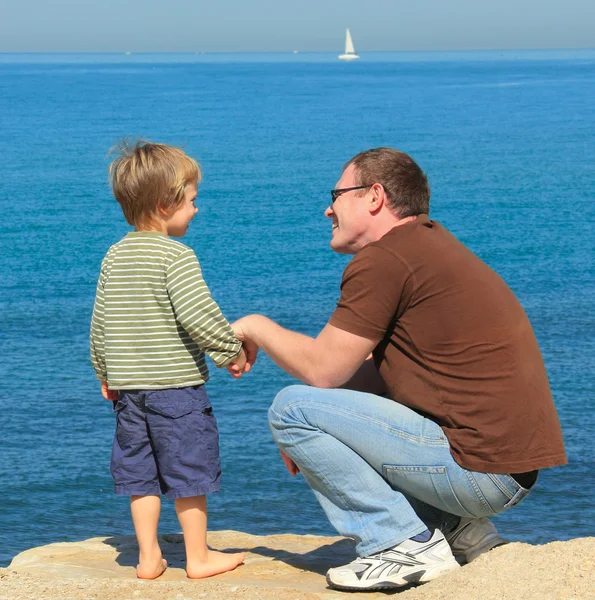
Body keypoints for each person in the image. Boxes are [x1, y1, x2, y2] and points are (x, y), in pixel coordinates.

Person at [229, 147, 567, 592]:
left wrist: (257, 326)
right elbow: (367, 379)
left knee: (291, 408)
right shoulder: (428, 247)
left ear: (374, 196)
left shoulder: (386, 260)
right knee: (311, 412)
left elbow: (324, 370)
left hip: (479, 474)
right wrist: (326, 430)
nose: (328, 207)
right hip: (503, 472)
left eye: (337, 193)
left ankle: (401, 542)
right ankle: (458, 531)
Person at [90, 140, 249, 580]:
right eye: (192, 201)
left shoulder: (114, 255)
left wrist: (104, 371)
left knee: (139, 475)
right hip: (176, 390)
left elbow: (100, 321)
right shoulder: (176, 256)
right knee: (189, 471)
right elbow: (199, 314)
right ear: (165, 204)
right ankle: (197, 557)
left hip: (130, 393)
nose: (196, 210)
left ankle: (148, 557)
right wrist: (229, 351)